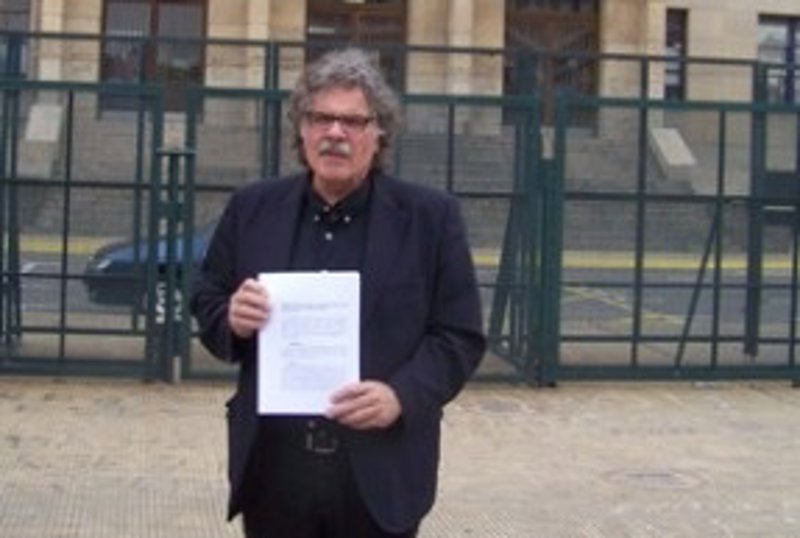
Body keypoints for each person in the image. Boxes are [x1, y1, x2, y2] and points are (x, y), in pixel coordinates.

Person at [190, 47, 486, 538]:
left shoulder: (430, 218)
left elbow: (459, 336)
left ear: (379, 132)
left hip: (380, 473)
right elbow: (207, 298)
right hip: (273, 473)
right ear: (301, 129)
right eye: (321, 118)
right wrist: (231, 319)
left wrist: (401, 395)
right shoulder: (251, 208)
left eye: (352, 121)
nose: (334, 132)